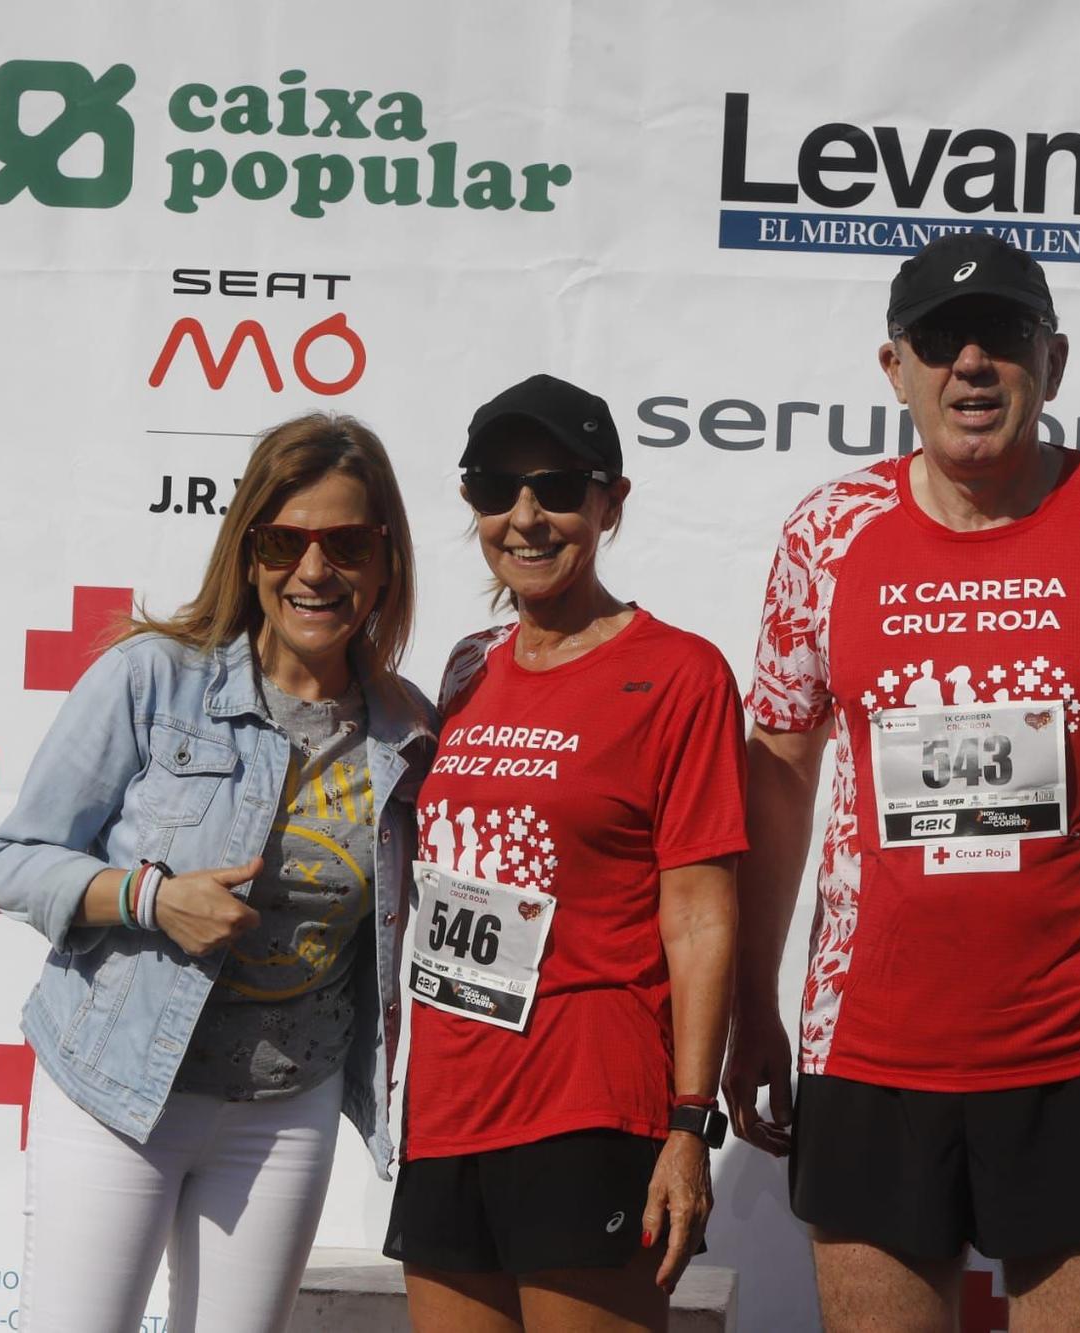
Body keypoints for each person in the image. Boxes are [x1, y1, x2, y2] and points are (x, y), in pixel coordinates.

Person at [722, 234, 1080, 1332]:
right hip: (867, 1051)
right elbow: (780, 778)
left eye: (1004, 338)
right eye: (940, 340)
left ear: (1055, 360)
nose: (972, 365)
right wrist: (751, 1004)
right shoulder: (825, 535)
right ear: (893, 368)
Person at [0, 414, 433, 1333]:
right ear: (248, 550)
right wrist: (153, 898)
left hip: (285, 1105)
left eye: (346, 543)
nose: (315, 569)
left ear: (386, 560)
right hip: (114, 1089)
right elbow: (16, 860)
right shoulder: (154, 679)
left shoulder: (410, 733)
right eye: (284, 540)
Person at [384, 374, 747, 1332]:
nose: (527, 515)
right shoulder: (467, 668)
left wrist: (688, 1122)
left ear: (610, 503)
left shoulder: (680, 673)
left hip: (588, 1105)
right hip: (449, 1105)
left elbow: (703, 915)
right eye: (496, 488)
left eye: (556, 486)